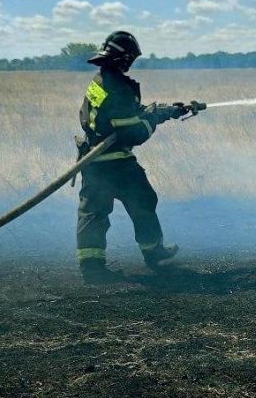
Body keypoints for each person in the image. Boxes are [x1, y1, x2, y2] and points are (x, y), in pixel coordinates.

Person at [76, 31, 184, 284]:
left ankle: (92, 267)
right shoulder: (117, 87)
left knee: (94, 212)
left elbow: (119, 114)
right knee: (140, 202)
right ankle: (153, 253)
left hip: (94, 159)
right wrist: (152, 119)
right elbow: (133, 132)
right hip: (114, 160)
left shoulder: (101, 80)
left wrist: (163, 111)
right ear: (123, 59)